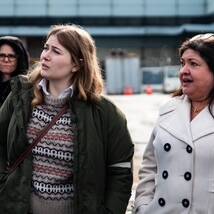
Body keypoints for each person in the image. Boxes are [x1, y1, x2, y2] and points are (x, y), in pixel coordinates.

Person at [0, 24, 134, 214]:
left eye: (56, 51)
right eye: (46, 47)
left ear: (77, 64)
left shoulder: (105, 112)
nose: (45, 55)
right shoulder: (20, 97)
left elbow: (120, 170)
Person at [134, 33, 214, 214]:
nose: (184, 70)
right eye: (183, 63)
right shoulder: (168, 110)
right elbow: (149, 166)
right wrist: (142, 206)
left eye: (193, 64)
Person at [0, 36, 29, 106]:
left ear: (20, 59)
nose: (6, 60)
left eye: (11, 56)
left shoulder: (27, 87)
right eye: (1, 55)